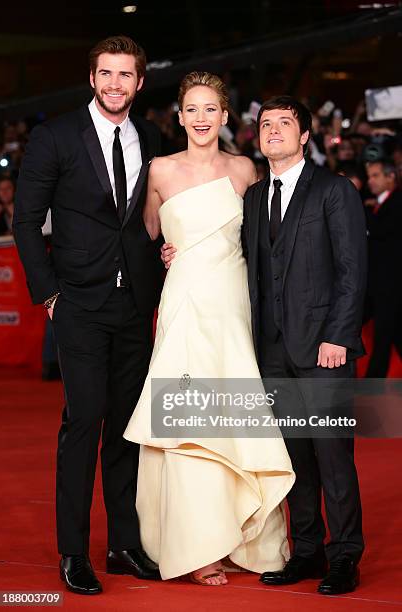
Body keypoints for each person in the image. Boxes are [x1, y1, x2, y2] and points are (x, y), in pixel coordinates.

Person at [163, 94, 368, 596]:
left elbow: (352, 271)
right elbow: (235, 258)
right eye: (267, 123)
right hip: (271, 350)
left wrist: (338, 337)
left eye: (285, 123)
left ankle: (343, 556)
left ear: (304, 137)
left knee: (333, 456)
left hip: (323, 349)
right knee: (294, 456)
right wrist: (176, 251)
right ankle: (306, 550)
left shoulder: (333, 190)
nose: (273, 129)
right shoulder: (253, 197)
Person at [124, 72, 295, 586]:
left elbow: (267, 237)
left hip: (232, 308)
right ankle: (197, 545)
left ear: (225, 116)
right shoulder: (158, 170)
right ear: (179, 117)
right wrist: (163, 253)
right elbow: (145, 238)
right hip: (183, 307)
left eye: (210, 109)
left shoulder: (246, 169)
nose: (201, 118)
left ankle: (241, 535)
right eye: (191, 109)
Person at [13, 35, 163, 595]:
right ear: (92, 78)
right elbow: (27, 222)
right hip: (78, 303)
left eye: (126, 75)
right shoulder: (55, 137)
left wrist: (165, 249)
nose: (116, 84)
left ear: (139, 82)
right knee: (84, 423)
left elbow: (155, 210)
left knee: (127, 430)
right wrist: (50, 294)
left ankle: (123, 544)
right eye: (107, 74)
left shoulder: (151, 138)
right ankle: (73, 552)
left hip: (134, 304)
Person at [364, 160, 402, 377]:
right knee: (393, 330)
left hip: (391, 281)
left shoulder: (397, 202)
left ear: (390, 177)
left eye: (376, 175)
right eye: (369, 176)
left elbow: (381, 230)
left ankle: (373, 381)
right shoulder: (379, 203)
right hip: (381, 281)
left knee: (384, 332)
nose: (371, 181)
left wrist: (365, 211)